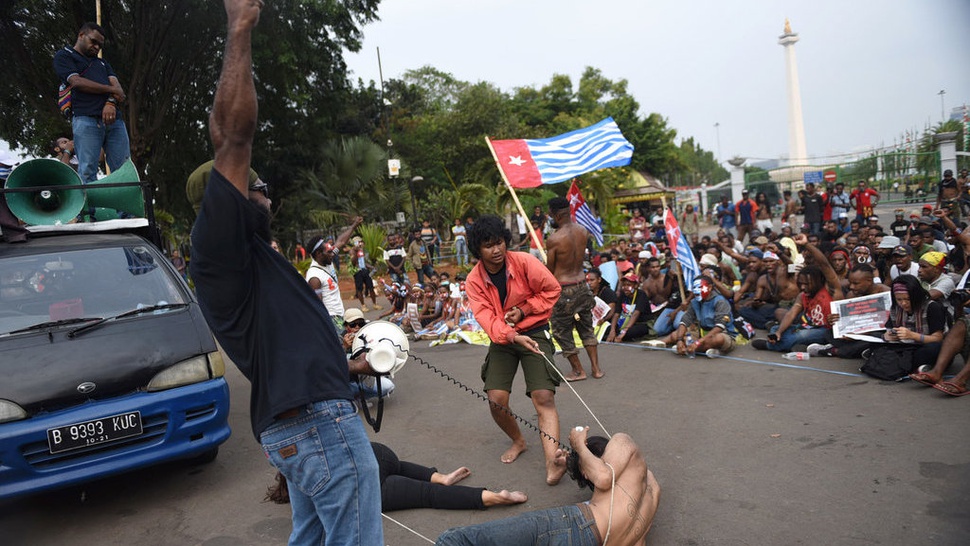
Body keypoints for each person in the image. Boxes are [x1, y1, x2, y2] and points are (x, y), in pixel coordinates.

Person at [187, 2, 382, 544]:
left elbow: (287, 342)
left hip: (306, 417)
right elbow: (233, 136)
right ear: (223, 199)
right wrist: (241, 26)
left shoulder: (248, 257)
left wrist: (350, 366)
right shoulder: (220, 244)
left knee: (313, 539)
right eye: (256, 184)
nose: (265, 193)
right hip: (316, 425)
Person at [464, 214, 566, 485]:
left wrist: (524, 310)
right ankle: (518, 441)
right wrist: (510, 334)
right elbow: (486, 318)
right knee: (496, 398)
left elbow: (552, 289)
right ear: (478, 250)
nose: (496, 250)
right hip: (503, 338)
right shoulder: (473, 281)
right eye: (488, 245)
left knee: (543, 396)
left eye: (499, 243)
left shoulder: (525, 262)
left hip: (535, 330)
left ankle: (553, 461)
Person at [436, 426, 661, 546]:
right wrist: (573, 462)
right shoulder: (652, 493)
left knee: (454, 540)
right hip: (595, 538)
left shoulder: (621, 440)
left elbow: (602, 477)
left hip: (577, 525)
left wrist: (579, 445)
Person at [52, 22, 130, 210]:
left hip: (115, 122)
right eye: (93, 41)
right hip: (85, 119)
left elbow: (120, 91)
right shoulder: (64, 56)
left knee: (124, 170)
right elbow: (76, 82)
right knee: (87, 170)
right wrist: (111, 91)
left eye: (100, 45)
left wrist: (111, 102)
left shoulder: (102, 63)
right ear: (81, 35)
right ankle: (90, 215)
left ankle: (126, 214)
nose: (96, 47)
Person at [545, 197, 603, 381]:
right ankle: (596, 369)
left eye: (551, 214)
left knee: (562, 331)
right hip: (582, 286)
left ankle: (578, 370)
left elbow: (550, 270)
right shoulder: (582, 231)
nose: (549, 217)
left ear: (558, 214)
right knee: (586, 328)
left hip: (564, 289)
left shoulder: (554, 239)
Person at [654, 276, 738, 357]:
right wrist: (679, 340)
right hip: (702, 334)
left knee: (718, 339)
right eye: (694, 287)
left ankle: (688, 348)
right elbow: (684, 321)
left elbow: (720, 326)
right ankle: (659, 343)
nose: (696, 290)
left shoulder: (720, 301)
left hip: (722, 334)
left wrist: (698, 342)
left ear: (709, 287)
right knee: (676, 334)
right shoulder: (694, 302)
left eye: (700, 287)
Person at [306, 219, 362, 328]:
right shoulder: (314, 277)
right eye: (329, 252)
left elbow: (341, 241)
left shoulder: (327, 260)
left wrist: (354, 225)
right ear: (318, 253)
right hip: (332, 320)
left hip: (340, 316)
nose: (333, 254)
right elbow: (317, 306)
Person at [607, 272, 651, 342]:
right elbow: (616, 314)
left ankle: (620, 336)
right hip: (625, 321)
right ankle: (615, 335)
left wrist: (623, 332)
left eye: (628, 285)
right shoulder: (622, 294)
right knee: (608, 328)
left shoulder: (641, 295)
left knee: (630, 332)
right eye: (624, 285)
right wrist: (612, 331)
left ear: (636, 285)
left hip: (640, 323)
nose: (625, 288)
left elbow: (636, 314)